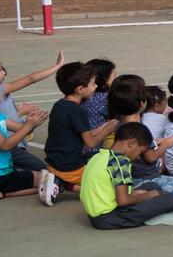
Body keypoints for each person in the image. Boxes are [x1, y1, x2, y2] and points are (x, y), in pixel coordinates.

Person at [79, 122, 173, 228]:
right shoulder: (120, 161)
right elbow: (123, 201)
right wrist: (147, 196)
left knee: (152, 186)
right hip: (110, 218)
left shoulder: (99, 156)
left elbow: (105, 188)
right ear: (132, 143)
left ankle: (155, 210)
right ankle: (156, 213)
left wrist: (134, 193)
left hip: (96, 216)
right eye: (140, 152)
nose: (138, 157)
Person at [37, 62, 115, 204]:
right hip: (70, 167)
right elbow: (90, 142)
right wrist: (108, 129)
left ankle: (59, 181)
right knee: (108, 183)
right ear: (80, 89)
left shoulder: (60, 105)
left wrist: (102, 127)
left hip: (54, 161)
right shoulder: (78, 111)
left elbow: (81, 132)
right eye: (93, 84)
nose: (96, 87)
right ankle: (63, 183)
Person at [0, 78, 46, 199]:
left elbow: (21, 129)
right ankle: (2, 193)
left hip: (5, 172)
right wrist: (29, 126)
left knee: (47, 179)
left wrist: (30, 122)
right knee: (48, 179)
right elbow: (4, 145)